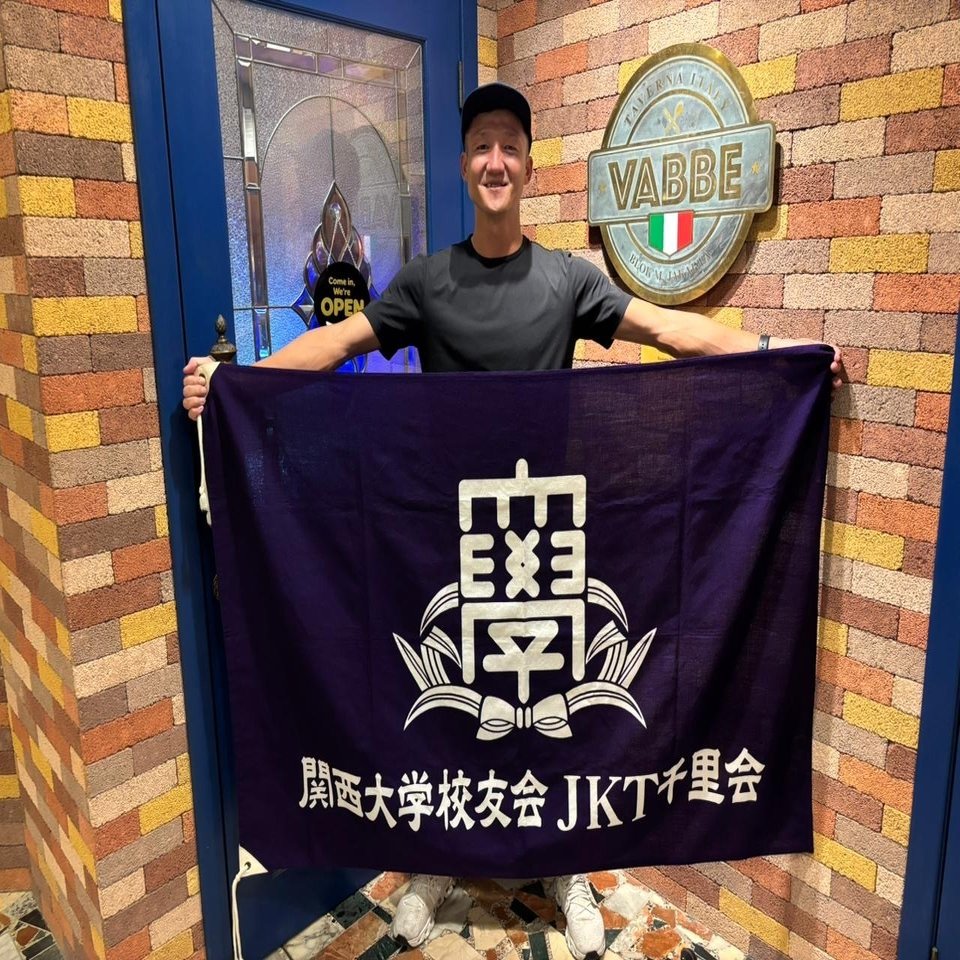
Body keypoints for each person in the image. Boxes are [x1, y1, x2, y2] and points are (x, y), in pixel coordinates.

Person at [184, 83, 842, 959]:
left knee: (549, 704)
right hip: (446, 532)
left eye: (510, 146)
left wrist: (776, 354)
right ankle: (434, 864)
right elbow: (336, 344)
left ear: (529, 165)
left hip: (549, 534)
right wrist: (239, 380)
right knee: (451, 707)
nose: (496, 161)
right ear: (465, 165)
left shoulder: (567, 278)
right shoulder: (427, 282)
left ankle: (566, 871)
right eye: (482, 146)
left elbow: (667, 332)